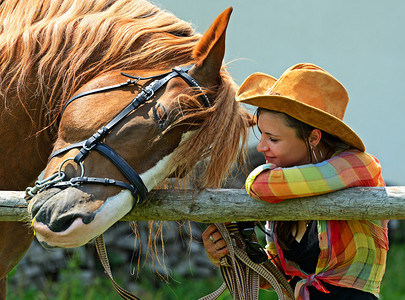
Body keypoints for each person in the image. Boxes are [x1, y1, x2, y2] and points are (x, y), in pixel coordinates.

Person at [202, 63, 388, 299]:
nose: (261, 147)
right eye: (262, 134)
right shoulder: (287, 183)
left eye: (273, 138)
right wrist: (226, 256)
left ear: (313, 137)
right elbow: (274, 277)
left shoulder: (361, 165)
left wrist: (257, 176)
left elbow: (260, 185)